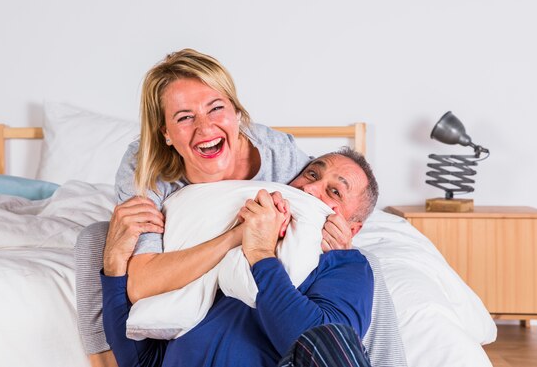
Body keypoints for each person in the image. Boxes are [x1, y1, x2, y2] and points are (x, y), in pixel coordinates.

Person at [74, 49, 357, 365]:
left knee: (359, 262)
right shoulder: (145, 166)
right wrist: (237, 235)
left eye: (216, 109)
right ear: (165, 134)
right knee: (96, 238)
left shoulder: (281, 157)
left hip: (258, 264)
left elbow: (333, 197)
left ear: (237, 113)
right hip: (185, 248)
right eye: (184, 117)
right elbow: (142, 285)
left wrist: (342, 242)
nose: (205, 129)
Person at [101, 148, 378, 367]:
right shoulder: (213, 245)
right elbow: (141, 361)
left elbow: (322, 349)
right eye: (311, 175)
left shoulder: (346, 265)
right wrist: (113, 268)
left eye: (334, 192)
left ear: (352, 228)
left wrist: (261, 255)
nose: (309, 190)